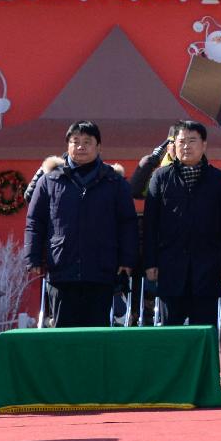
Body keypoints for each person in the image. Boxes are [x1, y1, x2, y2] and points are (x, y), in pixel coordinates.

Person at [24, 120, 138, 327]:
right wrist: (32, 258)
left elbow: (128, 223)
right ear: (67, 146)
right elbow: (35, 222)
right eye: (75, 141)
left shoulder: (114, 182)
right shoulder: (49, 180)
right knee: (62, 336)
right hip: (61, 269)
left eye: (87, 142)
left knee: (97, 335)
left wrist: (127, 260)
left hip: (101, 270)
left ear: (98, 146)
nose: (80, 147)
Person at [143, 120, 221, 326]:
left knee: (204, 331)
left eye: (192, 141)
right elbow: (150, 224)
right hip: (170, 268)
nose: (186, 146)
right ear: (173, 145)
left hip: (207, 269)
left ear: (204, 145)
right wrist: (150, 262)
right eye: (181, 141)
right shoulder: (160, 177)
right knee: (171, 333)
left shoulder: (218, 180)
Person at [130, 123, 180, 200]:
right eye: (172, 142)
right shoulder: (159, 169)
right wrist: (148, 163)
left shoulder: (200, 168)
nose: (175, 146)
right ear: (167, 145)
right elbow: (136, 192)